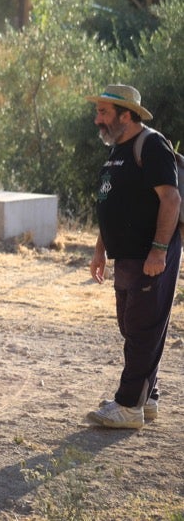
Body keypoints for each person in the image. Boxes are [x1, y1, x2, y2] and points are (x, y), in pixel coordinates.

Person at [85, 84, 182, 429]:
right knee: (133, 326)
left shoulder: (152, 145)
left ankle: (128, 407)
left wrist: (158, 251)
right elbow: (110, 204)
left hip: (150, 256)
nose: (97, 120)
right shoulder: (116, 151)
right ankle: (148, 396)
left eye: (104, 113)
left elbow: (171, 200)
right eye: (97, 112)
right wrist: (100, 251)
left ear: (127, 115)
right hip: (125, 257)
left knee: (142, 328)